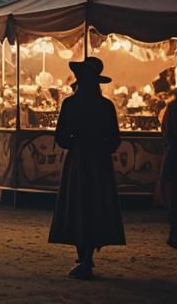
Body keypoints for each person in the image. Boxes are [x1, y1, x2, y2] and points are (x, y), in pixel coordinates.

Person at [49, 56, 126, 279]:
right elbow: (114, 139)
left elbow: (61, 137)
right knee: (96, 205)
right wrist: (100, 148)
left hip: (79, 159)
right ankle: (87, 256)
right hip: (99, 162)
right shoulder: (105, 106)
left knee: (77, 205)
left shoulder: (70, 104)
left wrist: (78, 144)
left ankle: (83, 256)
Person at [162, 87, 177, 251]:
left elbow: (166, 132)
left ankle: (175, 234)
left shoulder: (173, 108)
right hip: (176, 155)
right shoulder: (174, 108)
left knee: (175, 197)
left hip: (175, 155)